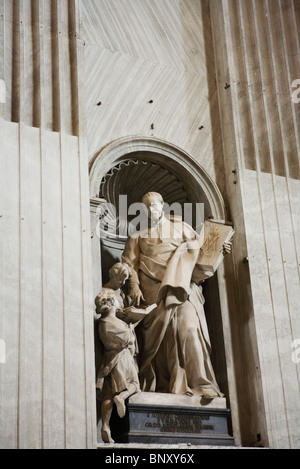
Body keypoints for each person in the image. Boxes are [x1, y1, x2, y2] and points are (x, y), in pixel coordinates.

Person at [122, 192, 231, 399]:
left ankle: (201, 383)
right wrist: (134, 286)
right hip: (154, 294)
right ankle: (170, 387)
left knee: (190, 329)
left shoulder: (182, 228)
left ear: (162, 205)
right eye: (146, 207)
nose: (151, 210)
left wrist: (219, 250)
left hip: (183, 288)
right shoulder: (137, 236)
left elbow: (203, 254)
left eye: (154, 205)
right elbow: (129, 264)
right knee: (166, 340)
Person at [95, 289, 140, 443]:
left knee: (108, 393)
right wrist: (132, 326)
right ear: (113, 303)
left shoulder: (103, 322)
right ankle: (122, 397)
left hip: (108, 361)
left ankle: (105, 427)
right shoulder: (111, 322)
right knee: (134, 384)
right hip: (122, 358)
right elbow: (128, 338)